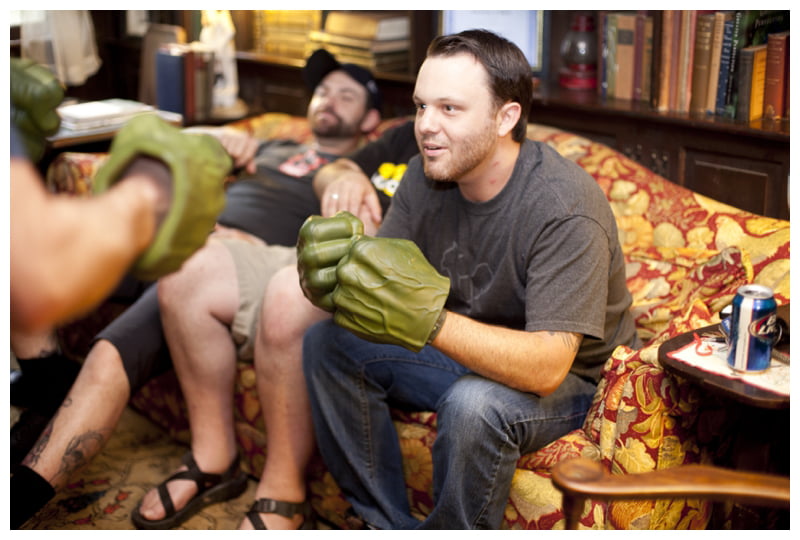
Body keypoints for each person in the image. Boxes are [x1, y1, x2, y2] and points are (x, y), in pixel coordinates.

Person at [8, 48, 387, 530]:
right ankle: (45, 375)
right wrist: (218, 136)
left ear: (371, 119)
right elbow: (173, 142)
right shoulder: (271, 143)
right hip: (177, 233)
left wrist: (252, 243)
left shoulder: (360, 172)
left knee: (111, 350)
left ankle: (18, 499)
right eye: (323, 90)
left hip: (222, 262)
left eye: (346, 95)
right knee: (19, 251)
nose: (328, 99)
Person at [297, 29, 641, 530]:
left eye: (449, 109)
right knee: (328, 343)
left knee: (474, 404)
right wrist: (331, 281)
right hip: (469, 352)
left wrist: (430, 322)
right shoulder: (424, 175)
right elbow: (381, 290)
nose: (425, 126)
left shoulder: (564, 206)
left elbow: (547, 367)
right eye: (421, 106)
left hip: (572, 380)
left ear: (506, 118)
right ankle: (385, 525)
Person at [152, 116, 416, 530]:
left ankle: (284, 492)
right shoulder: (408, 134)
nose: (430, 119)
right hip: (327, 246)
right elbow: (334, 166)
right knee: (187, 271)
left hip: (382, 271)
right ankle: (213, 457)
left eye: (448, 107)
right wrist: (343, 175)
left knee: (290, 292)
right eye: (423, 105)